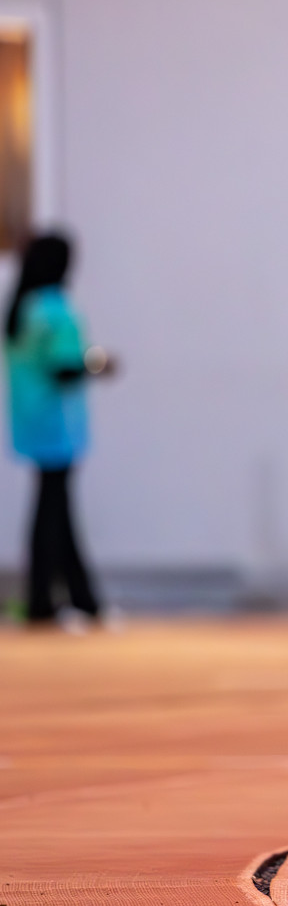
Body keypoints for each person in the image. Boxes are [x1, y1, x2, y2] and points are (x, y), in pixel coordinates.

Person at [5, 233, 114, 627]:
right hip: (59, 427)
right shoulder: (55, 310)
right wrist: (98, 363)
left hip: (31, 423)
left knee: (52, 512)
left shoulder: (22, 309)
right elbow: (65, 366)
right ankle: (53, 600)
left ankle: (65, 598)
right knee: (54, 513)